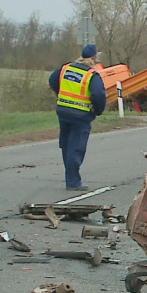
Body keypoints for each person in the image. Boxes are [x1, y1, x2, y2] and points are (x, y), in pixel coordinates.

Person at [48, 44, 106, 191]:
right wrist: (97, 111)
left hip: (63, 111)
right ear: (94, 58)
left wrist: (60, 93)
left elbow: (53, 80)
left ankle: (70, 177)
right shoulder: (91, 75)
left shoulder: (66, 68)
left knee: (66, 145)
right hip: (81, 116)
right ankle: (73, 181)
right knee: (76, 148)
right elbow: (98, 95)